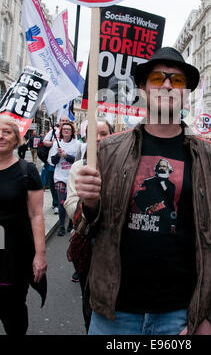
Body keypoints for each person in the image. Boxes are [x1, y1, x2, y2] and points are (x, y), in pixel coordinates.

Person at [74, 46, 211, 336]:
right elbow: (85, 228)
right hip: (114, 315)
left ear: (185, 93)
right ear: (142, 89)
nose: (167, 85)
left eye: (177, 81)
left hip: (181, 316)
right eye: (157, 78)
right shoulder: (108, 150)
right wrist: (89, 204)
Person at [64, 119, 114, 331]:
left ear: (112, 135)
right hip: (89, 245)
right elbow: (71, 202)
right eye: (94, 135)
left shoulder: (125, 165)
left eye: (104, 133)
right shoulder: (79, 167)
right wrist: (89, 204)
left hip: (116, 247)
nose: (99, 139)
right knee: (91, 302)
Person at [0, 115, 47, 335]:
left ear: (17, 139)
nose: (1, 136)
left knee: (13, 313)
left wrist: (40, 255)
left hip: (13, 255)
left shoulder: (26, 170)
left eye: (7, 132)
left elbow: (37, 215)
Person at [51, 122, 80, 236]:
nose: (66, 131)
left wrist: (65, 156)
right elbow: (53, 162)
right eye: (64, 129)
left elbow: (78, 160)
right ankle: (62, 226)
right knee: (62, 202)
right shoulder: (56, 145)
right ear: (61, 132)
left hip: (72, 177)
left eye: (68, 129)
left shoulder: (77, 144)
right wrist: (58, 155)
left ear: (72, 132)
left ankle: (71, 223)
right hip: (60, 177)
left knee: (72, 202)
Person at [43, 116, 71, 214]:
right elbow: (44, 142)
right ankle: (56, 204)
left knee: (63, 186)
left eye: (66, 121)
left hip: (64, 165)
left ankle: (63, 203)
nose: (64, 122)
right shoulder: (53, 132)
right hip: (52, 164)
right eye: (63, 120)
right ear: (59, 122)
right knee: (52, 185)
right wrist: (52, 142)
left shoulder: (70, 133)